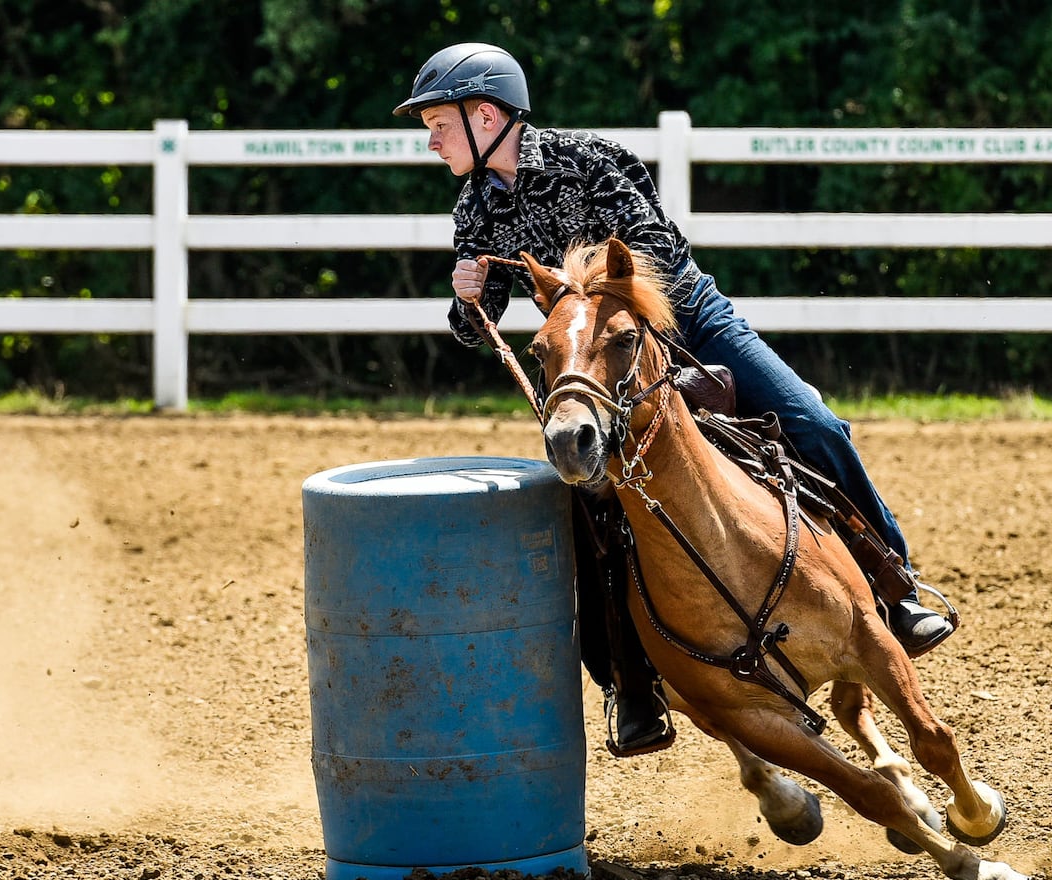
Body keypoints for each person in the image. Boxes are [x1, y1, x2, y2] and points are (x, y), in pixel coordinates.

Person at [393, 41, 956, 754]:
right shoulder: (474, 207)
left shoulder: (590, 159)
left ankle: (894, 585)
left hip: (688, 322)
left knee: (814, 422)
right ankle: (632, 689)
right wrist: (467, 302)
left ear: (485, 115)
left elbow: (653, 250)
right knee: (584, 516)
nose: (431, 138)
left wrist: (577, 294)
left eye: (439, 122)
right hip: (595, 369)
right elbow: (478, 331)